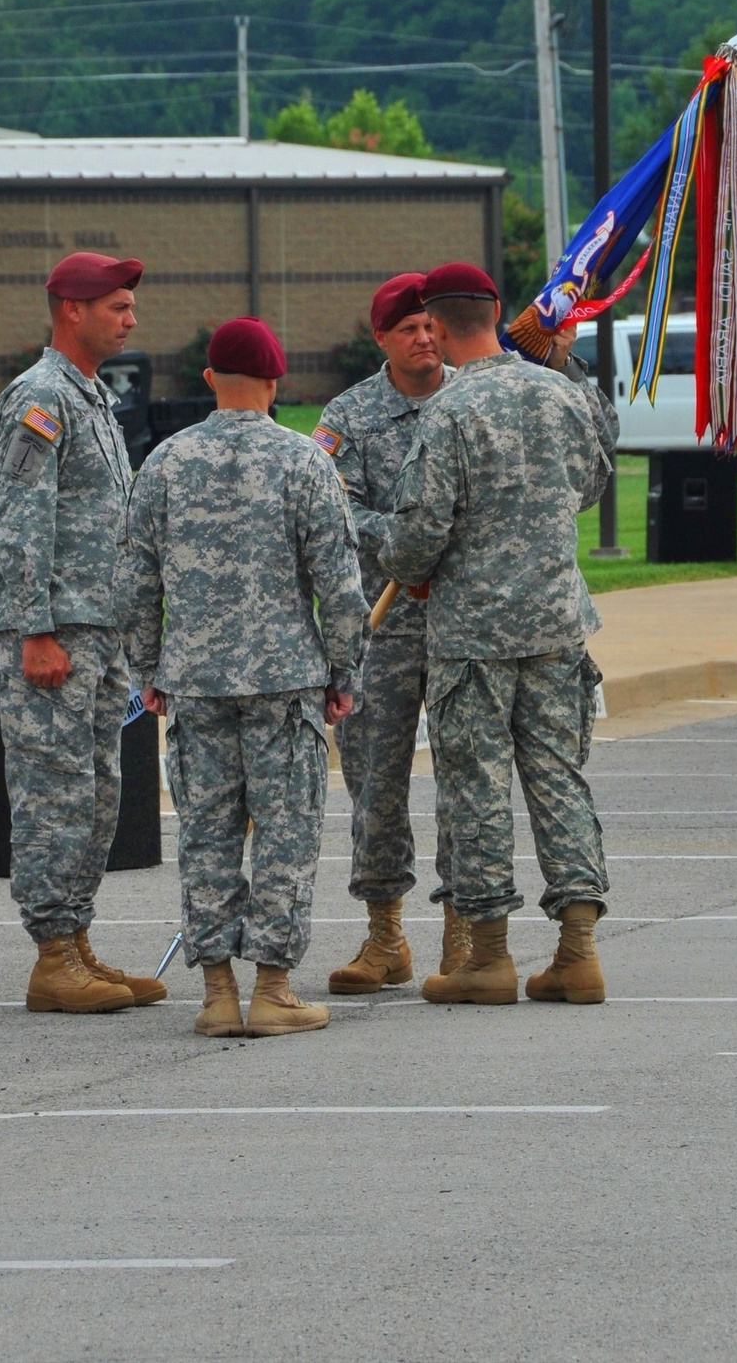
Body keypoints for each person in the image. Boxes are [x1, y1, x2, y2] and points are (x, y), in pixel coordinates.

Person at [120, 316, 370, 1039]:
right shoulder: (304, 462)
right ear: (276, 379)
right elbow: (341, 585)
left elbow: (134, 581)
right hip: (284, 683)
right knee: (286, 835)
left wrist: (148, 668)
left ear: (208, 381)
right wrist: (343, 671)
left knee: (205, 834)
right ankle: (275, 987)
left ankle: (217, 991)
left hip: (194, 682)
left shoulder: (164, 462)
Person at [378, 262, 619, 1006]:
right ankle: (578, 951)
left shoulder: (448, 410)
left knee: (476, 788)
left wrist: (408, 565)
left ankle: (487, 957)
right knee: (559, 780)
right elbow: (592, 484)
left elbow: (421, 526)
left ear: (440, 328)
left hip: (473, 632)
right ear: (497, 314)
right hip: (554, 622)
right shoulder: (562, 394)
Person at [0, 251, 166, 1014]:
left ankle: (78, 941)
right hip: (53, 631)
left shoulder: (90, 395)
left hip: (98, 629)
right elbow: (18, 523)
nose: (130, 318)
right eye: (117, 306)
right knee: (54, 794)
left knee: (96, 793)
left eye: (128, 305)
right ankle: (52, 955)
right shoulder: (38, 398)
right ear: (72, 309)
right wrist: (34, 628)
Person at [312, 273, 465, 995]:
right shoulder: (348, 415)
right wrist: (408, 544)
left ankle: (467, 932)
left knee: (469, 779)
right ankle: (385, 935)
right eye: (408, 328)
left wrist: (441, 547)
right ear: (382, 338)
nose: (425, 337)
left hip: (467, 622)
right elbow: (338, 513)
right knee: (375, 782)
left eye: (431, 324)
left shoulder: (473, 398)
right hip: (384, 626)